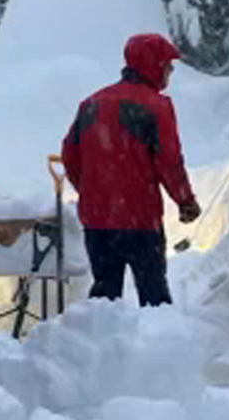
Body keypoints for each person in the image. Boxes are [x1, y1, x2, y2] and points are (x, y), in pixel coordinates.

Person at [59, 33, 201, 306]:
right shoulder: (156, 107)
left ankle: (98, 345)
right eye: (167, 66)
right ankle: (158, 345)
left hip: (98, 219)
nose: (170, 72)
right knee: (154, 296)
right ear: (154, 65)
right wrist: (185, 201)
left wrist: (91, 190)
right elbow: (169, 162)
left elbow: (70, 154)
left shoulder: (92, 103)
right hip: (140, 219)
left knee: (104, 298)